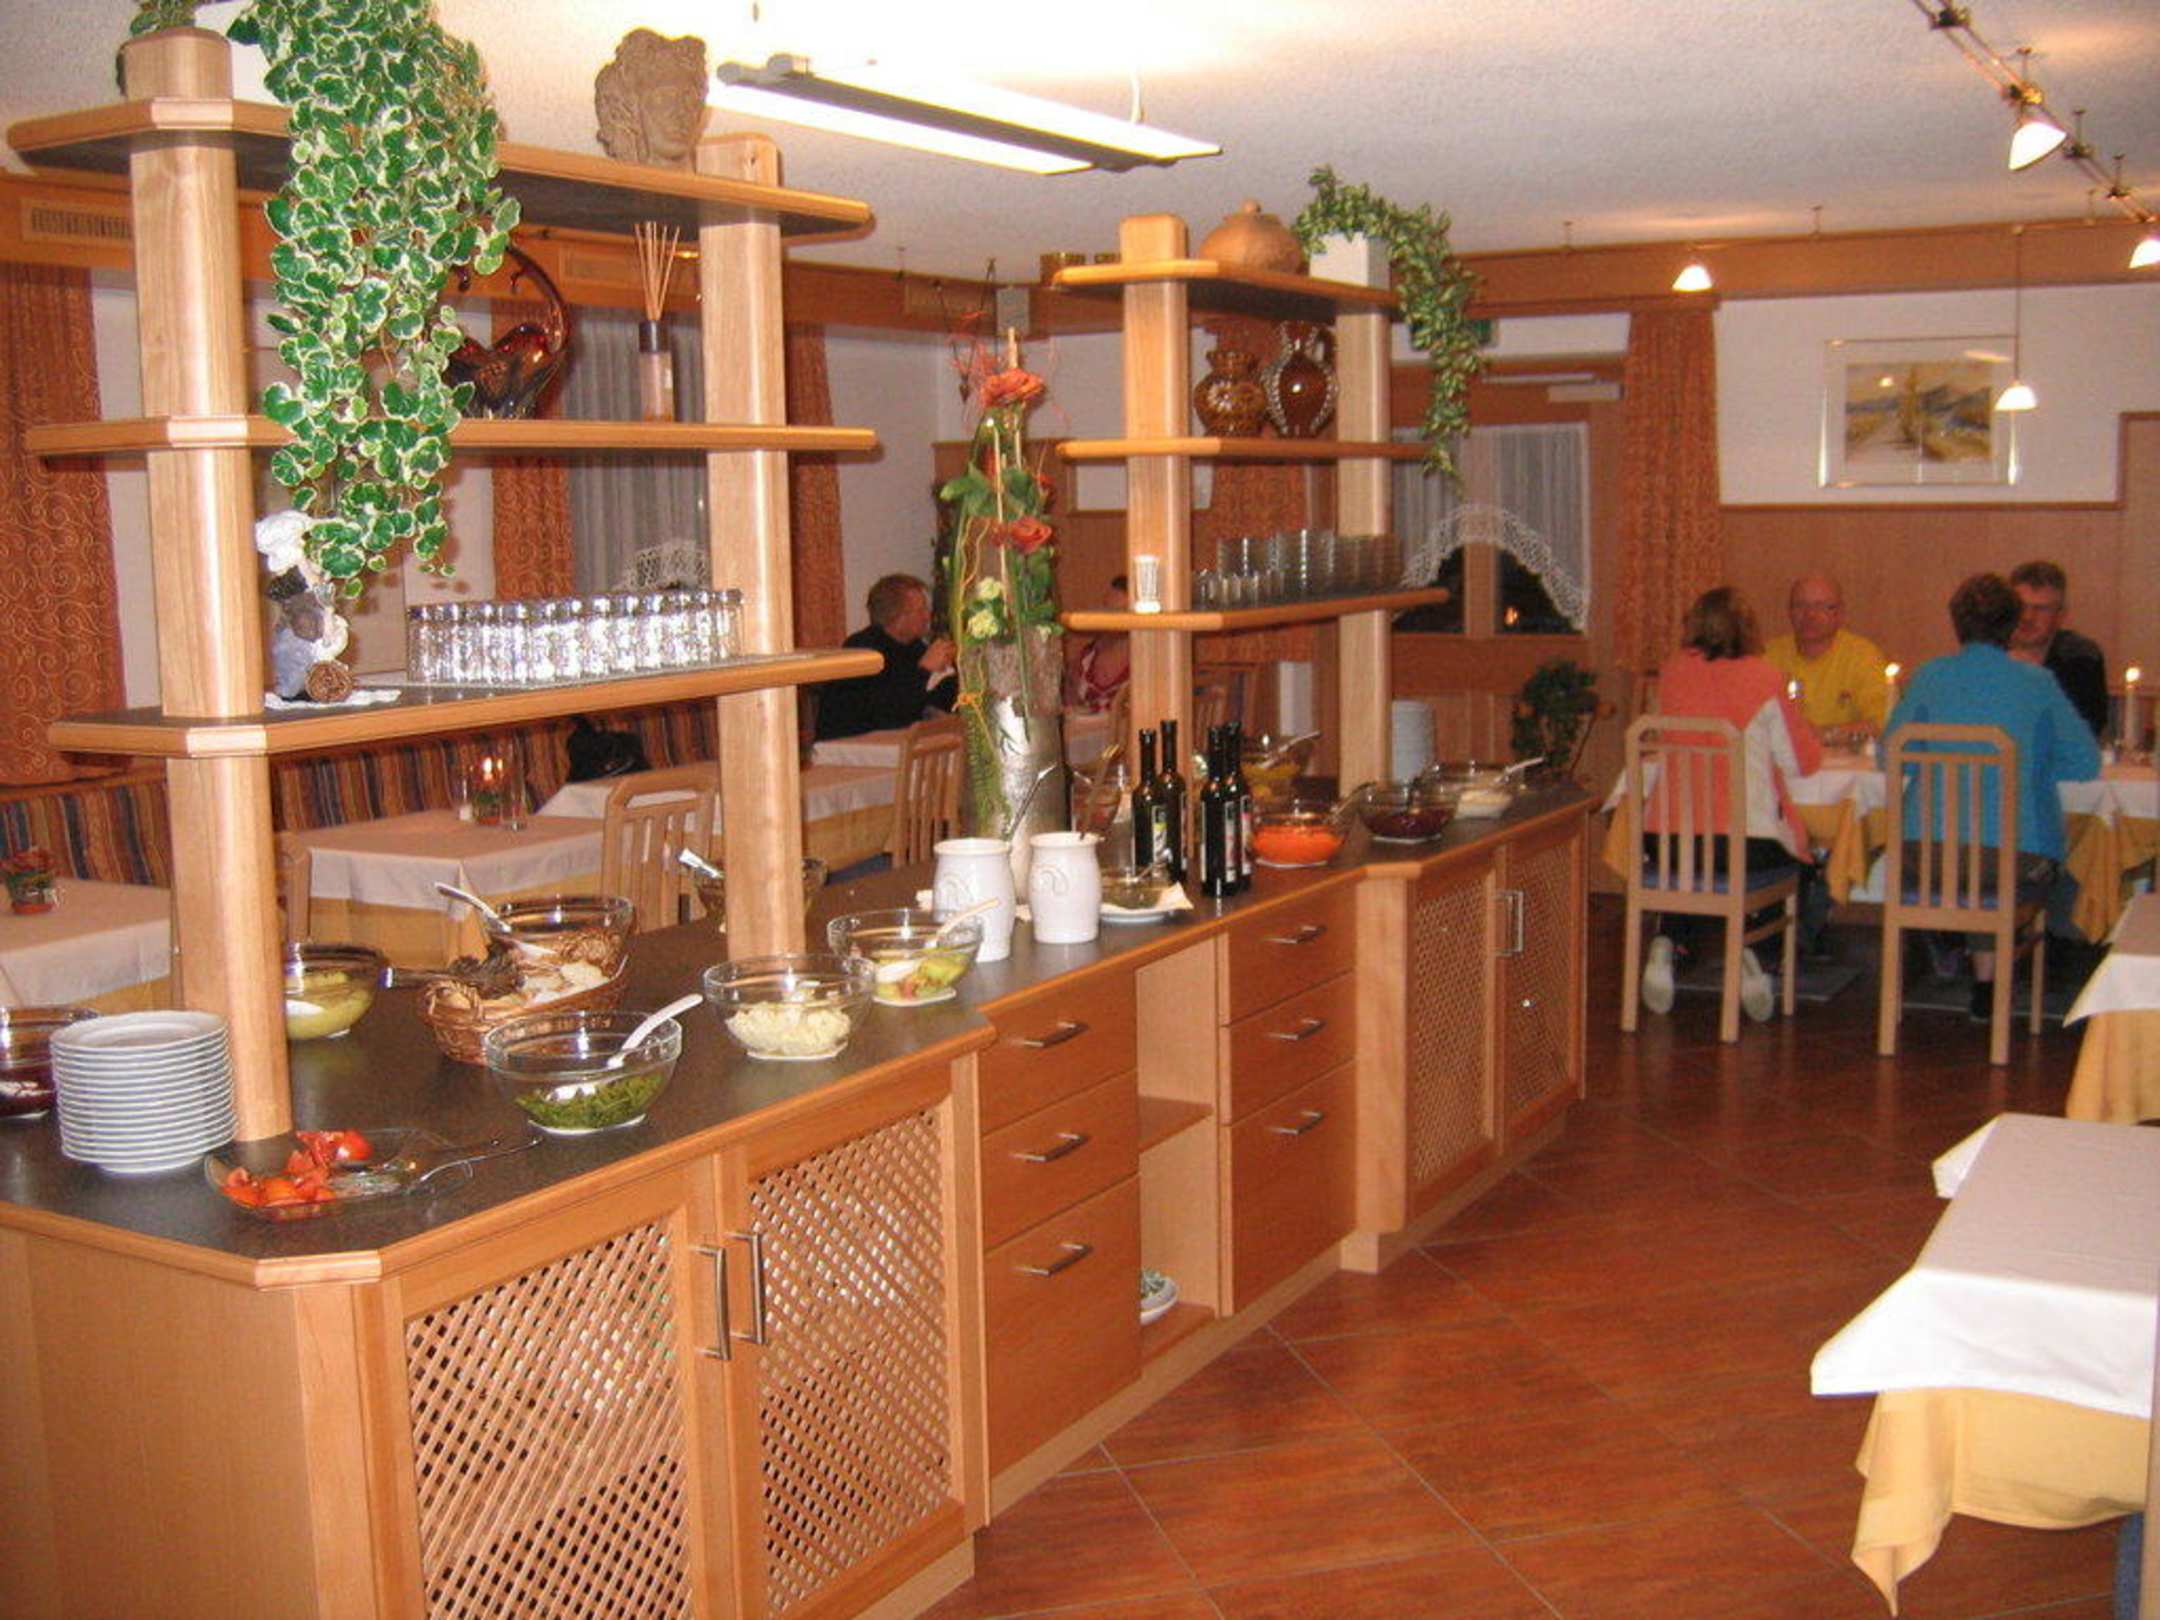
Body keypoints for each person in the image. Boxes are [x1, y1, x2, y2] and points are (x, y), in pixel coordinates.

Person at [1883, 572, 2101, 1018]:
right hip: (2013, 863)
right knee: (2002, 861)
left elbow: (1891, 756)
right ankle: (2018, 980)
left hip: (1925, 858)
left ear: (1956, 623)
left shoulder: (1929, 677)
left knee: (1971, 857)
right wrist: (2033, 765)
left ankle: (1984, 982)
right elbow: (2086, 762)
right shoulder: (2036, 683)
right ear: (2012, 623)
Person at [1639, 586, 1824, 1022]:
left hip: (1666, 839)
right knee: (1798, 866)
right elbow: (1801, 763)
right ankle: (1758, 951)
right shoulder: (1765, 678)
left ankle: (1669, 940)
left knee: (1694, 867)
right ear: (1747, 627)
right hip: (1744, 840)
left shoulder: (1672, 673)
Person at [815, 574, 956, 740]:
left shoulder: (915, 647)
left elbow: (939, 701)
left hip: (896, 740)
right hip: (852, 744)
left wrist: (951, 668)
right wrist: (924, 670)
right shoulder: (862, 651)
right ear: (897, 617)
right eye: (921, 610)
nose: (927, 617)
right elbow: (888, 714)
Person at [1763, 573, 1889, 736]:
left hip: (1844, 750)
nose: (1810, 615)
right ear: (1789, 612)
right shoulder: (1768, 655)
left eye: (1822, 607)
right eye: (1800, 606)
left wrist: (1822, 734)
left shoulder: (1863, 656)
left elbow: (1880, 723)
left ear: (1840, 614)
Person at [2007, 559, 2110, 741]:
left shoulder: (2081, 657)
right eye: (2020, 606)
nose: (2027, 617)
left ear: (2061, 615)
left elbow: (2085, 728)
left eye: (2041, 609)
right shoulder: (1988, 653)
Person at [1067, 574, 1131, 713]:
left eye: (1120, 612)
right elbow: (1069, 711)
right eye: (1107, 608)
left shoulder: (1143, 667)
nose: (1111, 619)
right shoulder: (1083, 663)